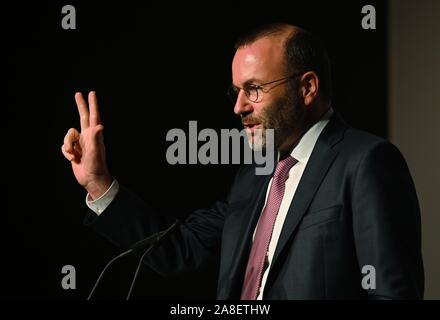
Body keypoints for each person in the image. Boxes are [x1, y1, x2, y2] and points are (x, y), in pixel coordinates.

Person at [61, 23, 424, 299]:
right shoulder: (255, 174)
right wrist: (98, 182)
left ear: (308, 87)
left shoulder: (367, 163)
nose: (238, 107)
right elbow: (180, 250)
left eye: (254, 89)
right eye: (236, 92)